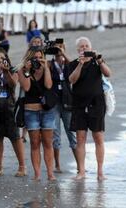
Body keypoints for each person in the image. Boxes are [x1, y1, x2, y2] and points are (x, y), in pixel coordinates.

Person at [68, 37, 111, 180]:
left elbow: (108, 73)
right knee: (80, 138)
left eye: (86, 46)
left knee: (98, 137)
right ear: (77, 49)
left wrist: (100, 61)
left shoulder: (97, 61)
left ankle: (100, 172)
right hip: (79, 104)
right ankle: (81, 171)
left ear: (91, 47)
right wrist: (80, 64)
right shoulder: (74, 63)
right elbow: (72, 80)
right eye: (81, 46)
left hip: (97, 103)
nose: (84, 48)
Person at [0, 48, 26, 177]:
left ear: (6, 58)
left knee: (15, 137)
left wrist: (6, 71)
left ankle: (22, 166)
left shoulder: (12, 70)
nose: (0, 61)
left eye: (2, 58)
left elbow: (13, 84)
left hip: (9, 108)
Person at [18, 47, 56, 181]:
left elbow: (48, 85)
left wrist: (45, 68)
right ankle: (37, 173)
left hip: (47, 110)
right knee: (34, 143)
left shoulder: (48, 67)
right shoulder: (22, 70)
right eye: (35, 58)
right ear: (29, 58)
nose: (37, 60)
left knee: (48, 142)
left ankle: (50, 173)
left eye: (40, 57)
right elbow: (26, 87)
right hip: (30, 110)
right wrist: (27, 71)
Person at [48, 42, 79, 173]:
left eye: (61, 48)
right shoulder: (49, 64)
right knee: (56, 135)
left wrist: (64, 54)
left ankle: (79, 165)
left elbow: (75, 66)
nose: (58, 50)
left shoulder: (67, 64)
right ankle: (57, 165)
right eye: (56, 48)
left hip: (67, 101)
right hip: (54, 102)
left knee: (71, 133)